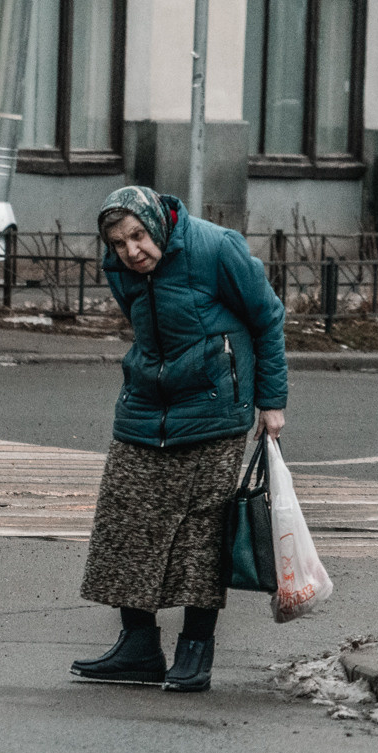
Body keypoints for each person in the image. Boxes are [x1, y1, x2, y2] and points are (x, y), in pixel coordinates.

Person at [70, 184, 287, 693]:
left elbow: (267, 317)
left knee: (201, 535)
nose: (132, 251)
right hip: (147, 404)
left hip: (215, 406)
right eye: (120, 243)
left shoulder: (216, 248)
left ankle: (195, 650)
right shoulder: (120, 267)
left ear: (157, 225)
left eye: (139, 237)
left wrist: (271, 402)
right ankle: (138, 645)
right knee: (125, 520)